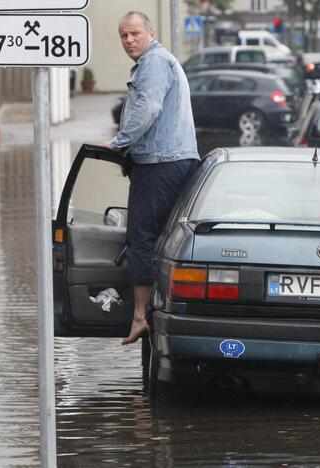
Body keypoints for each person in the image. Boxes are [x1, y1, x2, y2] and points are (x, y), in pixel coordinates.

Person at [105, 11, 200, 345]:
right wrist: (130, 157)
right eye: (123, 35)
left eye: (134, 33)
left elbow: (147, 109)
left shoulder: (154, 63)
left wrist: (119, 144)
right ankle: (162, 310)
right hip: (168, 161)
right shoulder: (159, 61)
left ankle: (140, 317)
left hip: (161, 164)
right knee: (164, 239)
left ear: (150, 32)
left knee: (141, 237)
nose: (129, 40)